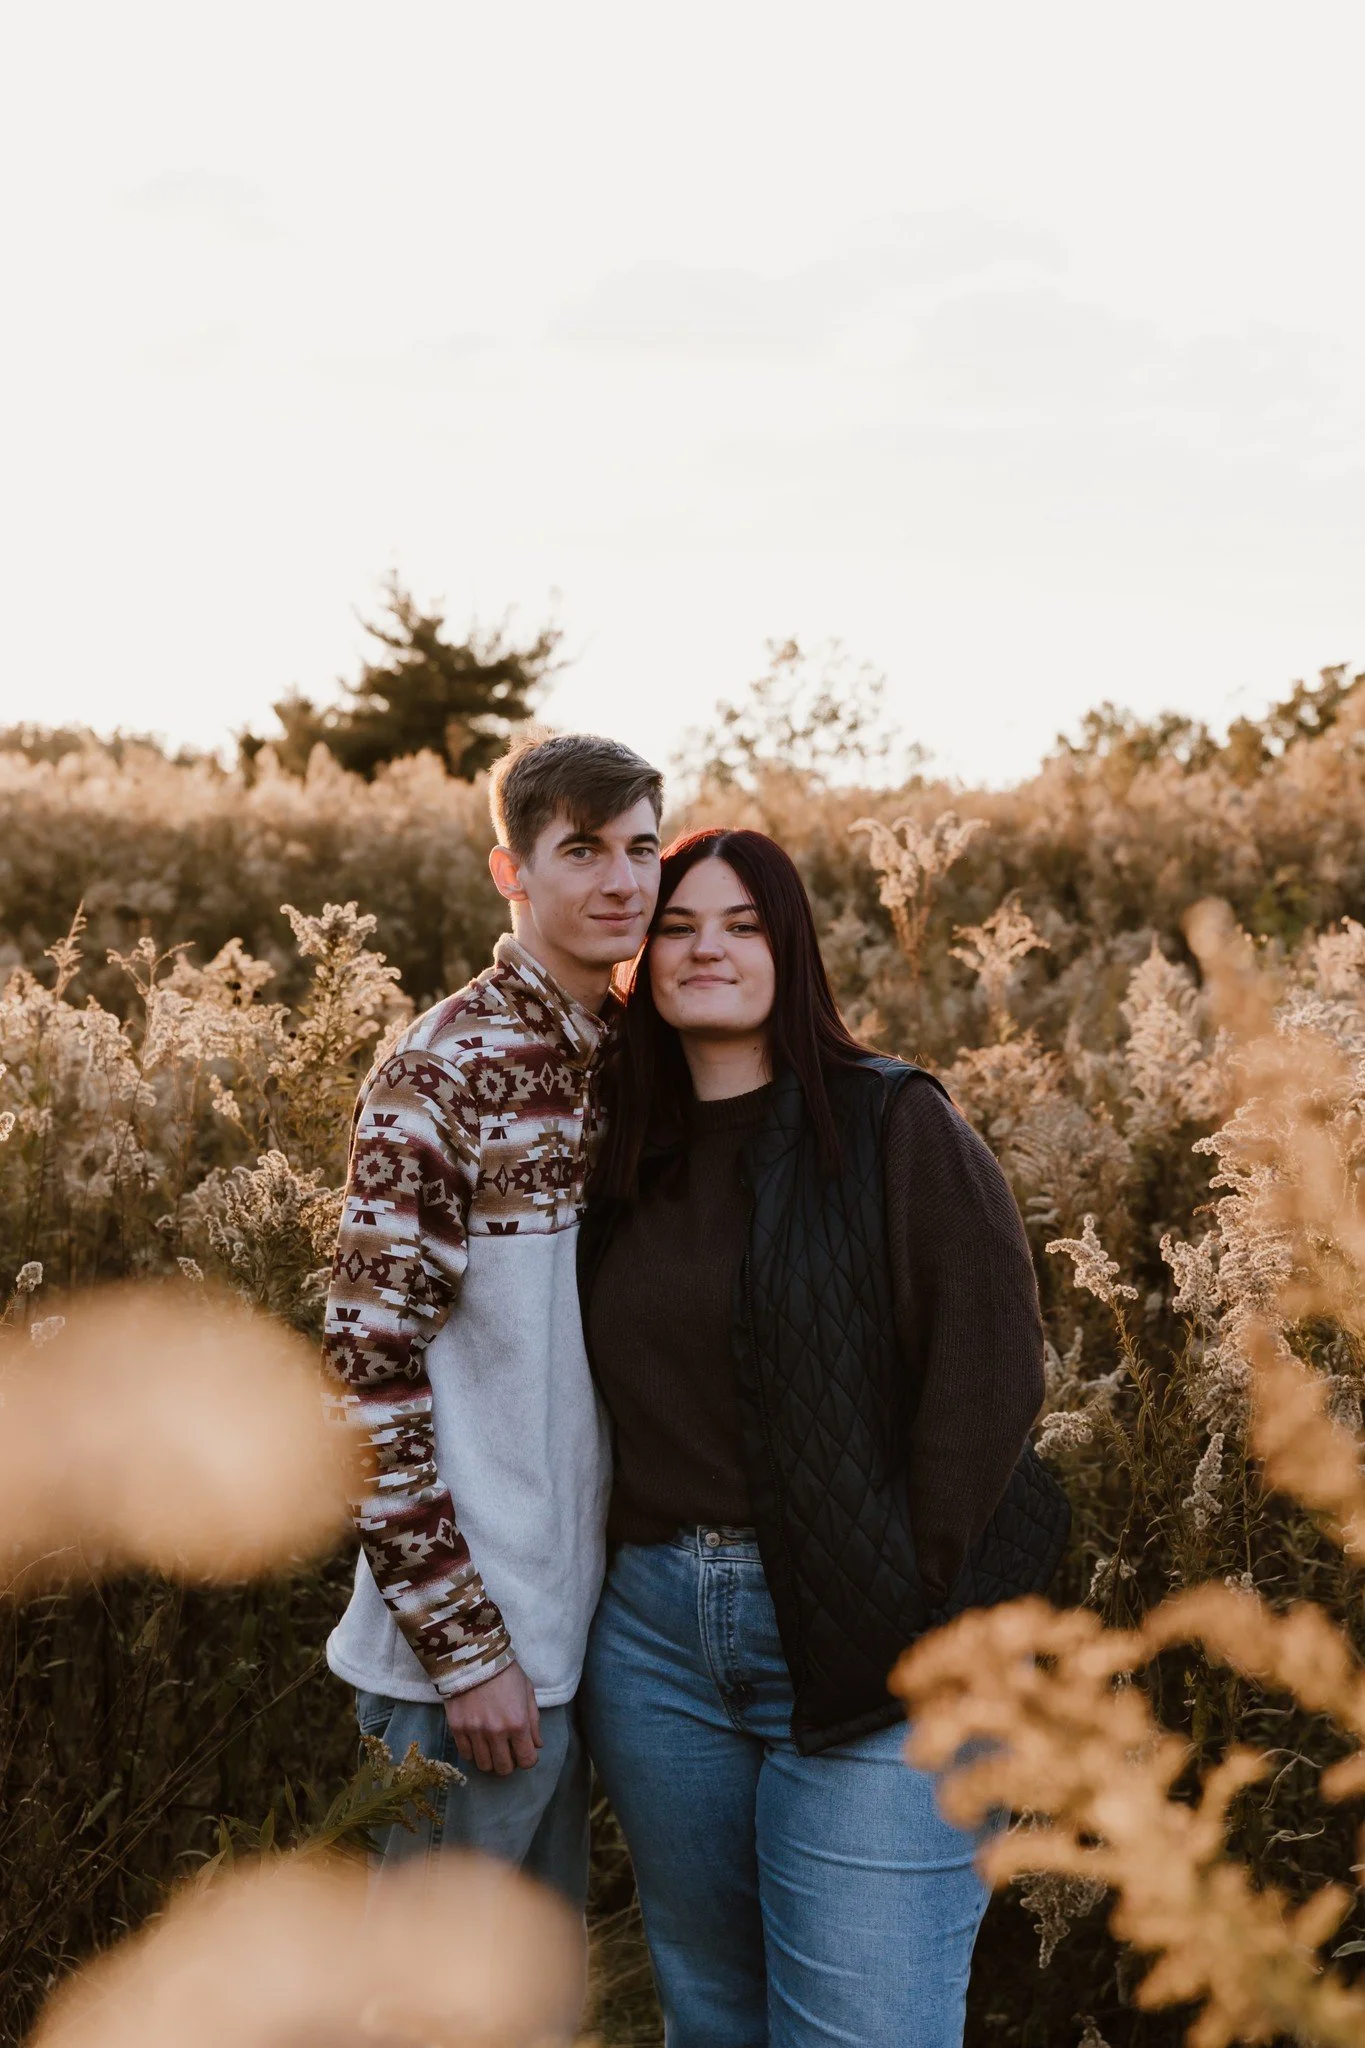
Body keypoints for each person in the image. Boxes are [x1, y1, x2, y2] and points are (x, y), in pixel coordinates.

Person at [578, 827, 1070, 2048]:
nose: (708, 948)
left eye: (744, 925)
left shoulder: (892, 1122)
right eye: (680, 925)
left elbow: (993, 1367)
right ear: (643, 957)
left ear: (790, 952)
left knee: (867, 2027)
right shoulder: (618, 1146)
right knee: (717, 2012)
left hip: (881, 1637)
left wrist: (905, 1586)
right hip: (653, 1646)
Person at [321, 730, 663, 1907]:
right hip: (460, 1670)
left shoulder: (626, 1059)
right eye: (581, 848)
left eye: (641, 846)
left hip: (572, 1644)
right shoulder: (440, 1072)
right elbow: (366, 1377)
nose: (622, 879)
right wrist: (466, 1651)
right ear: (509, 869)